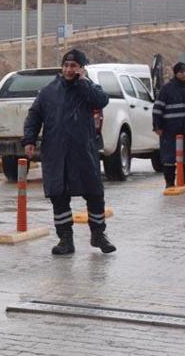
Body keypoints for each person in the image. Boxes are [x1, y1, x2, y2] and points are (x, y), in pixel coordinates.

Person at [22, 49, 116, 255]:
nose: (68, 70)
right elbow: (34, 115)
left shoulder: (89, 89)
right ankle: (65, 239)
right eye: (66, 65)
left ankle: (98, 235)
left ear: (81, 69)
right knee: (59, 196)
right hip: (56, 153)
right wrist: (29, 139)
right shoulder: (48, 91)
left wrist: (83, 82)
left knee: (94, 193)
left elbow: (101, 100)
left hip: (83, 152)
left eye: (73, 66)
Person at [153, 62, 185, 188]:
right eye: (181, 72)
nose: (184, 74)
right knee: (169, 158)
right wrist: (157, 126)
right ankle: (170, 183)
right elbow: (157, 109)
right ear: (176, 73)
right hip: (170, 130)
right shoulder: (167, 89)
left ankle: (183, 182)